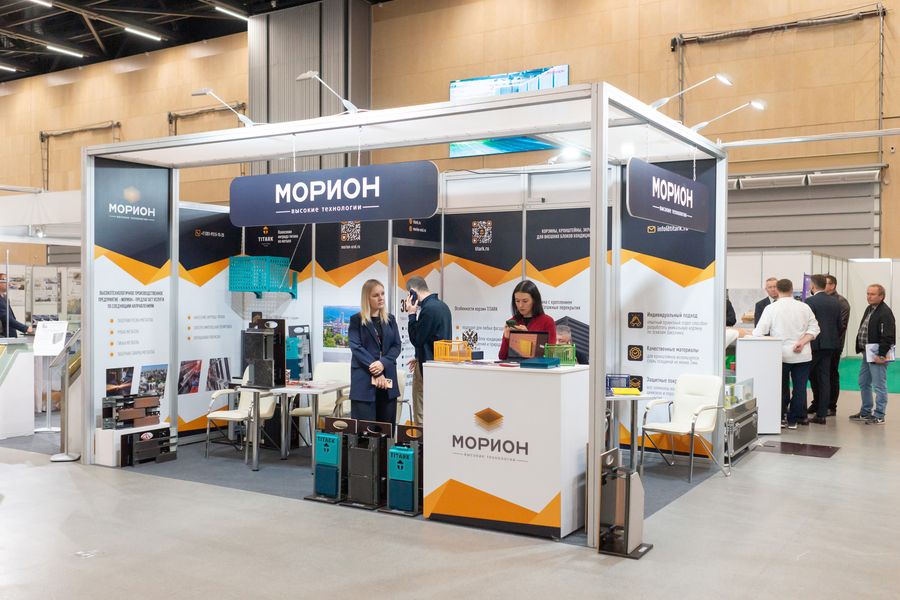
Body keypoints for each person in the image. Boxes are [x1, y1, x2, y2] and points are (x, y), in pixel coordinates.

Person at [752, 278, 819, 429]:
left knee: (780, 387)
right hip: (802, 354)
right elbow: (815, 329)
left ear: (777, 290)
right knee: (800, 388)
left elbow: (758, 332)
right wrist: (802, 342)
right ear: (791, 289)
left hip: (779, 355)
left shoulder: (771, 308)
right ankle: (793, 420)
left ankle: (781, 417)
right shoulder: (804, 307)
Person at [348, 279, 401, 425]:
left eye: (382, 294)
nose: (381, 298)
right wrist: (377, 371)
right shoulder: (356, 320)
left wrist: (382, 363)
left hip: (387, 382)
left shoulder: (390, 320)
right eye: (376, 295)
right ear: (367, 298)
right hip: (364, 382)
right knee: (364, 432)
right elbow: (356, 347)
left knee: (387, 431)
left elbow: (396, 346)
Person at [406, 275, 452, 425]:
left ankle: (421, 439)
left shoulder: (428, 310)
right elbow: (432, 338)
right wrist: (418, 355)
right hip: (439, 366)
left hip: (427, 368)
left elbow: (417, 339)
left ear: (413, 292)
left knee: (421, 412)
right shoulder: (443, 306)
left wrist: (411, 315)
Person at [850, 284, 895, 425]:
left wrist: (881, 355)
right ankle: (865, 412)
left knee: (879, 385)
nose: (869, 296)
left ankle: (880, 415)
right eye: (868, 293)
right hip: (867, 353)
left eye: (872, 294)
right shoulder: (870, 308)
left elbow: (888, 336)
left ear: (881, 296)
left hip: (877, 355)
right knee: (863, 382)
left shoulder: (885, 312)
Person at [805, 274, 843, 424]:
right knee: (824, 379)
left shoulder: (810, 302)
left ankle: (800, 412)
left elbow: (806, 325)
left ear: (813, 286)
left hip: (814, 345)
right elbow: (840, 325)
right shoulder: (836, 302)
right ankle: (821, 414)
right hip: (830, 345)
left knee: (803, 377)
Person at [499, 280, 557, 360]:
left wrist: (527, 337)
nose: (520, 305)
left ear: (534, 300)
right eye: (517, 301)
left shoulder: (547, 321)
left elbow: (550, 355)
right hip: (516, 367)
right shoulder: (513, 321)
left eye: (525, 301)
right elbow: (502, 357)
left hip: (536, 367)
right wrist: (506, 338)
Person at [824, 274, 851, 415]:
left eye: (826, 283)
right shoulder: (823, 300)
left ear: (833, 285)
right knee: (819, 376)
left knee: (832, 375)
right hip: (822, 345)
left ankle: (831, 406)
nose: (823, 285)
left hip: (834, 345)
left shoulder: (841, 302)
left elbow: (841, 326)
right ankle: (819, 403)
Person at [0, 273, 32, 338]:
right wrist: (25, 328)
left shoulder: (5, 297)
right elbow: (5, 318)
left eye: (8, 280)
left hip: (10, 334)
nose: (8, 283)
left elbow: (10, 317)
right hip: (3, 336)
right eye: (5, 280)